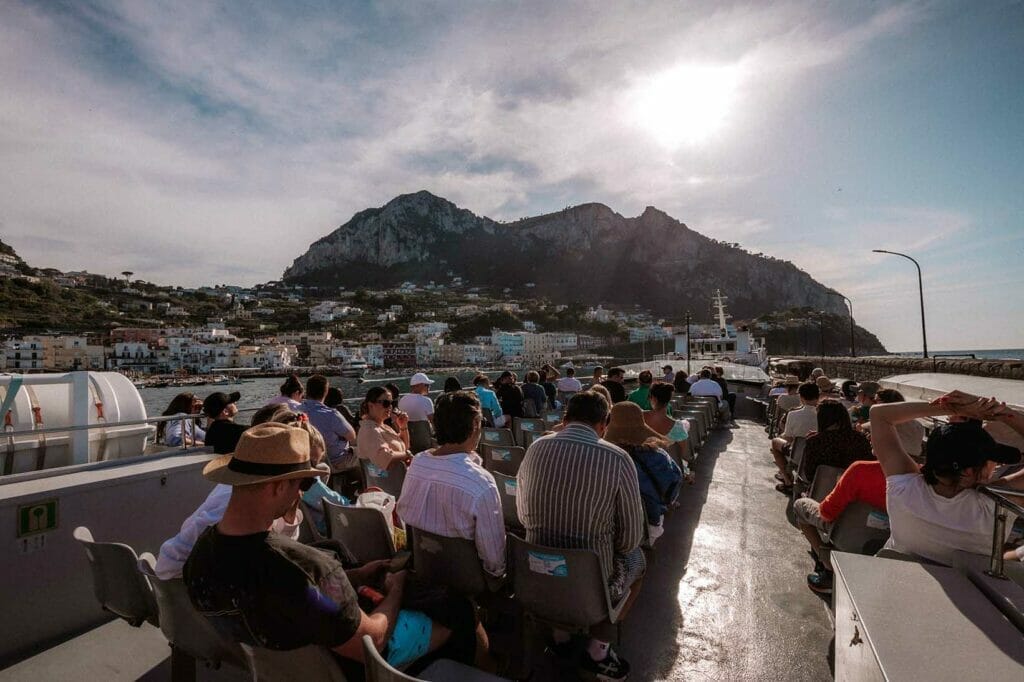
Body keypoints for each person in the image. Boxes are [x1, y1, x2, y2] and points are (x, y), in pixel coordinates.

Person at [183, 423, 482, 673]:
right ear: (276, 487)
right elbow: (373, 641)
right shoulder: (305, 568)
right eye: (301, 485)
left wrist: (355, 575)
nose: (302, 494)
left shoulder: (198, 559)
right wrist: (396, 589)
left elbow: (302, 596)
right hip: (352, 664)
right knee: (461, 612)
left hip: (287, 665)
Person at [516, 391, 644, 680]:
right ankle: (598, 649)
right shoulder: (618, 459)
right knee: (640, 560)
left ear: (564, 419)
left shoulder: (536, 448)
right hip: (592, 586)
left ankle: (561, 636)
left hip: (536, 572)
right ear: (605, 424)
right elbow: (630, 539)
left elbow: (523, 516)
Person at [870, 390, 1024, 566]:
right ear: (968, 472)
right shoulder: (994, 506)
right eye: (991, 461)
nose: (995, 466)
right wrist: (1000, 413)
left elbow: (879, 414)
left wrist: (953, 408)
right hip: (964, 590)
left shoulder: (904, 488)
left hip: (896, 581)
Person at [155, 410, 310, 580]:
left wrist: (290, 518)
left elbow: (281, 547)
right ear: (280, 485)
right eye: (304, 482)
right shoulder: (229, 511)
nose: (302, 491)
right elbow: (167, 565)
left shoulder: (250, 498)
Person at [397, 391, 506, 577]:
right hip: (468, 578)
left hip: (425, 567)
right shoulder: (482, 483)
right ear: (475, 426)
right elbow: (494, 560)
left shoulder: (418, 462)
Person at [794, 460, 889, 593]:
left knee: (800, 505)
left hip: (844, 534)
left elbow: (826, 514)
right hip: (883, 544)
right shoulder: (920, 479)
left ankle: (829, 569)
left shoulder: (860, 470)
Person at [604, 401, 682, 545]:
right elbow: (674, 482)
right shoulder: (659, 455)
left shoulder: (604, 457)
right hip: (648, 525)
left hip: (609, 526)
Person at [799, 401, 874, 483]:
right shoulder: (860, 439)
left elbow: (809, 475)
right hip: (855, 489)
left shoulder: (815, 441)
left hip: (822, 490)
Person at [769, 382, 820, 493]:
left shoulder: (793, 414)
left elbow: (788, 437)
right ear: (818, 397)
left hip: (797, 455)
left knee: (775, 443)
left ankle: (787, 480)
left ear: (801, 397)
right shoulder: (823, 416)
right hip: (817, 455)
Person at [300, 375, 357, 471]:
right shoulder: (331, 414)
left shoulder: (295, 411)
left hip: (305, 461)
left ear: (307, 391)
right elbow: (352, 436)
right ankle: (375, 481)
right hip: (335, 461)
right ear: (326, 392)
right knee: (365, 454)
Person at [356, 386, 411, 472]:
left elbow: (405, 446)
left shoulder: (382, 426)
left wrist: (403, 427)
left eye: (391, 403)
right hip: (390, 481)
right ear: (371, 405)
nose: (390, 407)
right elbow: (385, 458)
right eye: (386, 403)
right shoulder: (370, 430)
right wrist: (407, 455)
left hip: (398, 475)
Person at [859, 388, 925, 458]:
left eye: (875, 401)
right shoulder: (917, 425)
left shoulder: (885, 423)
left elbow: (875, 451)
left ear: (885, 404)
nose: (872, 404)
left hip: (895, 461)